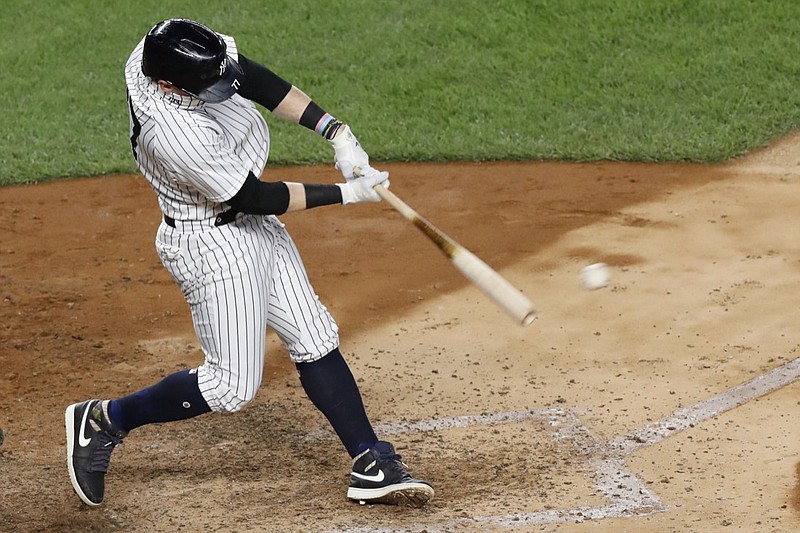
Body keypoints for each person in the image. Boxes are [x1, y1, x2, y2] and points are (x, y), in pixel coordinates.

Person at [65, 18, 433, 509]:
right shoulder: (171, 132)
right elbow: (254, 197)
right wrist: (349, 194)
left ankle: (371, 460)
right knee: (231, 385)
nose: (225, 86)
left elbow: (251, 77)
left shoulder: (174, 48)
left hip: (244, 219)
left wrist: (336, 132)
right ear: (169, 85)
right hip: (212, 244)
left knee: (314, 335)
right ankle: (104, 420)